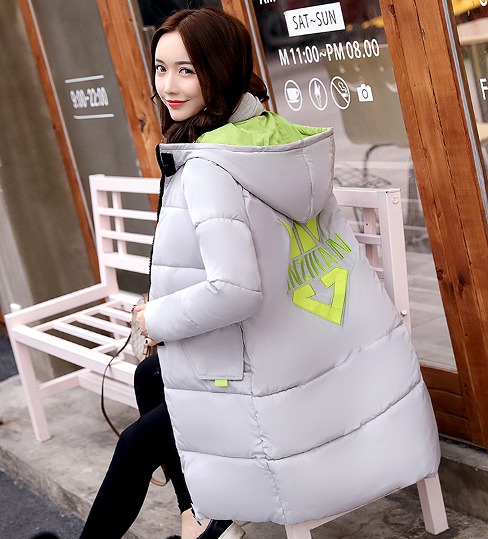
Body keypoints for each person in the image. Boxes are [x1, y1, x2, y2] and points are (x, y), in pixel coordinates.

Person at [83, 5, 441, 537]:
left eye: (187, 70)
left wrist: (151, 319)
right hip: (331, 340)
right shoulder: (277, 136)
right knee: (148, 376)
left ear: (220, 70)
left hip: (279, 377)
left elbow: (235, 289)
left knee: (135, 444)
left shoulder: (209, 165)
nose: (169, 86)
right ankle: (202, 513)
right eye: (160, 68)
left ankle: (201, 515)